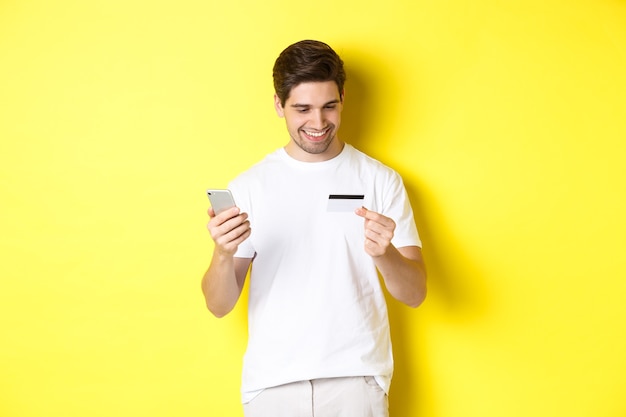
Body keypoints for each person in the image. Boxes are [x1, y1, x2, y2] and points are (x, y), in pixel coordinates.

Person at [201, 39, 427, 417]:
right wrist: (223, 254)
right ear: (279, 105)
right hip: (273, 385)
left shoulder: (380, 181)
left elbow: (415, 293)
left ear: (342, 98)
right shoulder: (250, 187)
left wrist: (384, 253)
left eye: (329, 107)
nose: (318, 123)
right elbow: (218, 305)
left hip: (356, 380)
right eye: (302, 109)